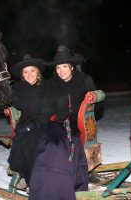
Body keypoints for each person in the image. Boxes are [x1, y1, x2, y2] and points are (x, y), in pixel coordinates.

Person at [29, 48, 97, 199]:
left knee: (61, 147)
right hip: (55, 121)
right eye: (58, 67)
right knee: (48, 144)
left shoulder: (84, 80)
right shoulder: (51, 84)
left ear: (72, 67)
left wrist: (81, 112)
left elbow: (96, 108)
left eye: (64, 66)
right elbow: (45, 108)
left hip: (77, 123)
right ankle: (44, 188)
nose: (61, 71)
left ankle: (61, 189)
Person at [7, 54, 46, 191]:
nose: (29, 74)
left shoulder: (46, 86)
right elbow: (15, 101)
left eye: (32, 70)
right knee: (26, 142)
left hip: (44, 121)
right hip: (26, 122)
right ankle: (29, 178)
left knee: (41, 140)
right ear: (22, 75)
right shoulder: (18, 87)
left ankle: (37, 178)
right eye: (25, 71)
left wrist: (35, 106)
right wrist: (34, 105)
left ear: (38, 72)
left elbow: (49, 105)